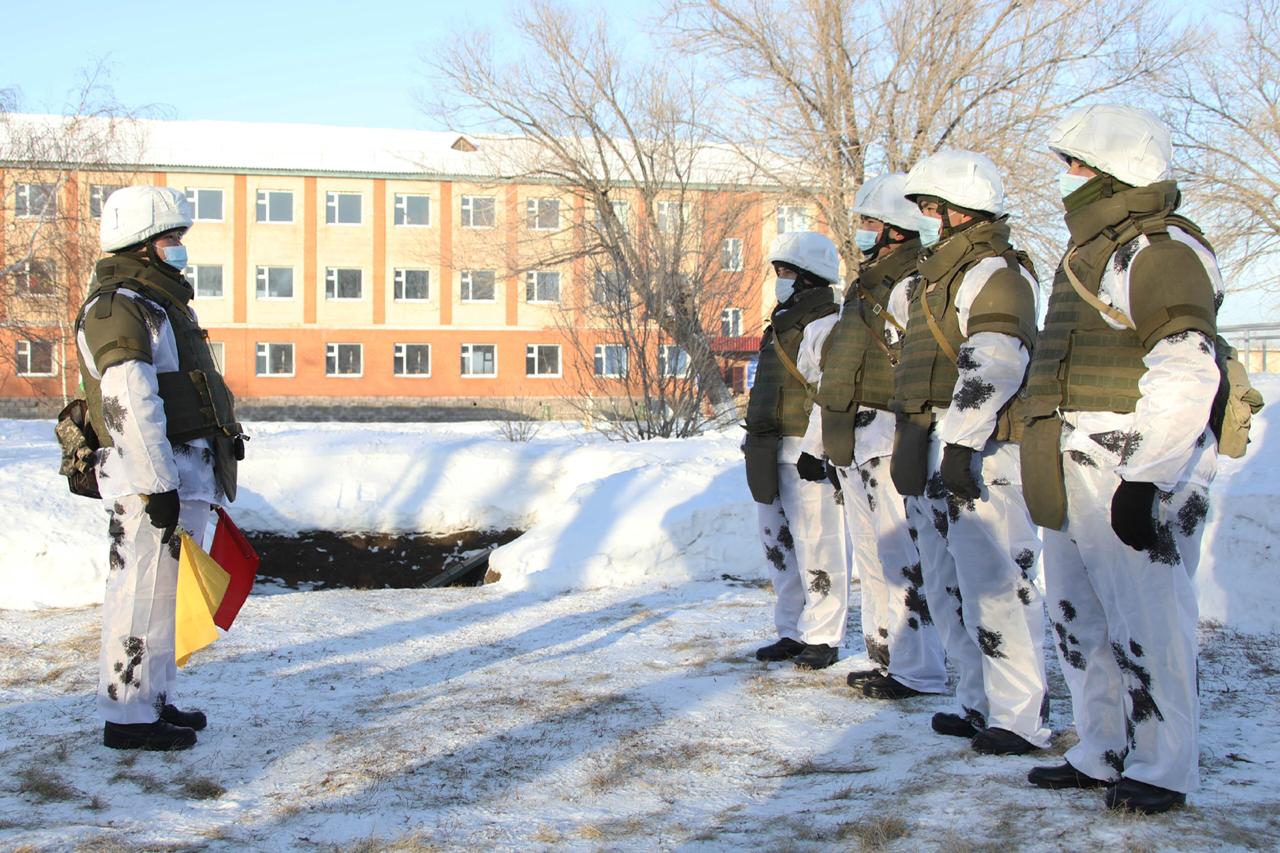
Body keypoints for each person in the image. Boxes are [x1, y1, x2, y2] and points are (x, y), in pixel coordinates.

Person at [1020, 105, 1225, 814]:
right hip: (1075, 457)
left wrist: (1146, 476)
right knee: (1082, 616)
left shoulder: (1158, 251)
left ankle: (1163, 766)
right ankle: (1103, 746)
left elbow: (1188, 366)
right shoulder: (1097, 250)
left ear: (1113, 174)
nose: (1066, 180)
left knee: (1150, 617)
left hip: (1132, 457)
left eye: (1077, 166)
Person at [891, 150, 1050, 755]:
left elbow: (997, 360)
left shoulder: (997, 272)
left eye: (933, 208)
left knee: (998, 585)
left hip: (983, 447)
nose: (926, 218)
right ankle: (977, 701)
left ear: (963, 212)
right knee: (948, 583)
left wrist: (960, 443)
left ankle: (1019, 717)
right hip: (937, 438)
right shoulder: (939, 277)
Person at [76, 186, 243, 750]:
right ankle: (128, 717)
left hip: (181, 475)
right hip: (152, 481)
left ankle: (155, 698)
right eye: (170, 238)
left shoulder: (159, 303)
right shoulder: (119, 306)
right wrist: (156, 486)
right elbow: (129, 399)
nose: (179, 248)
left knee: (168, 595)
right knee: (141, 592)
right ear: (141, 244)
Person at [810, 173, 946, 700]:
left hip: (890, 433)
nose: (862, 231)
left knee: (904, 558)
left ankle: (921, 668)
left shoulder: (912, 281)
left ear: (896, 229)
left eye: (870, 222)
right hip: (860, 435)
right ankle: (887, 655)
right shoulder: (870, 281)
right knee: (873, 556)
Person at [745, 230, 847, 670]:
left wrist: (818, 446)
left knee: (818, 545)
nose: (779, 280)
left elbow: (831, 389)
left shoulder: (826, 323)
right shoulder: (781, 322)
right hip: (771, 448)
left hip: (807, 451)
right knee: (779, 546)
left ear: (808, 277)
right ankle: (790, 630)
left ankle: (823, 636)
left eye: (785, 272)